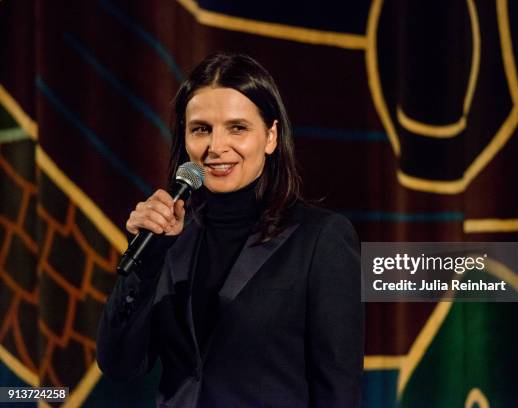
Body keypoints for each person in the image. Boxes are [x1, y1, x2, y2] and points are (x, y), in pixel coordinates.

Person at [96, 52, 363, 407]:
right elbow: (119, 365)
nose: (216, 147)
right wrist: (145, 263)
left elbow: (338, 390)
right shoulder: (170, 240)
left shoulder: (321, 238)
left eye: (237, 128)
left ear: (270, 137)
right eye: (201, 129)